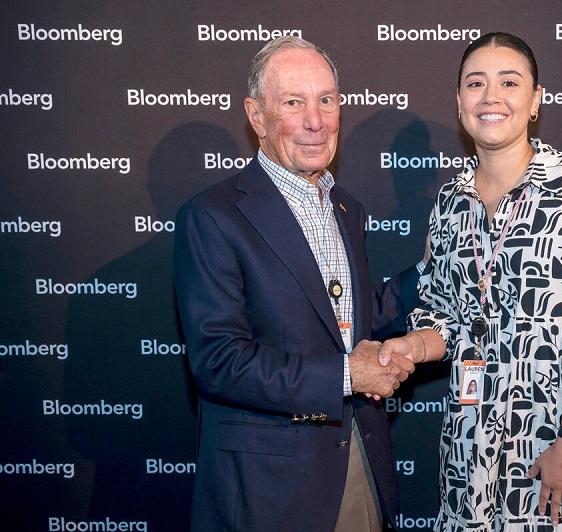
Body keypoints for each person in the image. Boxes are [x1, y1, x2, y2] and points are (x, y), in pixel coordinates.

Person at [379, 32, 562, 531]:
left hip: (558, 443)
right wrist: (413, 345)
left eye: (509, 82)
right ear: (459, 103)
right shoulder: (449, 204)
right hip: (471, 450)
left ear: (535, 100)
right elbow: (445, 315)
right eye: (475, 84)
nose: (490, 97)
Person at [174, 36, 421, 532]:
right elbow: (219, 361)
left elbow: (345, 320)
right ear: (256, 115)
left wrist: (436, 273)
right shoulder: (213, 217)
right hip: (269, 489)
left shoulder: (347, 207)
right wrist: (350, 376)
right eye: (293, 103)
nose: (316, 120)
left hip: (358, 463)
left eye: (326, 100)